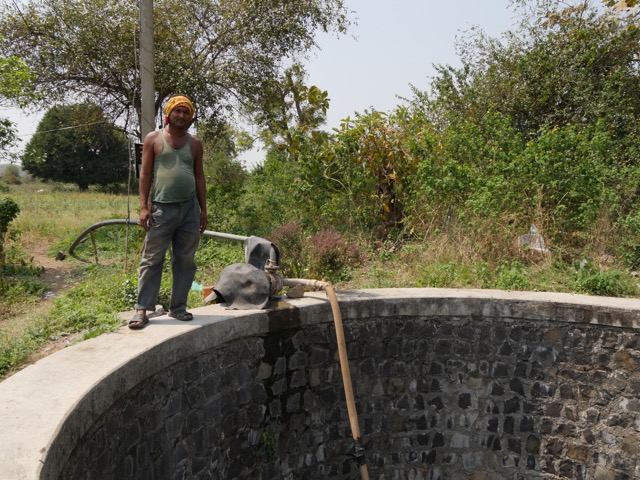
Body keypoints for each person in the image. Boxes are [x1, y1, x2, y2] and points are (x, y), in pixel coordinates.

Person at [129, 94, 207, 329]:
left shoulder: (195, 144)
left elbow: (199, 176)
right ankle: (142, 309)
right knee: (152, 259)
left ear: (190, 117)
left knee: (185, 260)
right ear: (168, 114)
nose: (182, 116)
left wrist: (203, 210)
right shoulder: (154, 138)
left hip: (189, 210)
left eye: (186, 112)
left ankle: (178, 308)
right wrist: (143, 207)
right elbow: (145, 174)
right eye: (178, 111)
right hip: (161, 210)